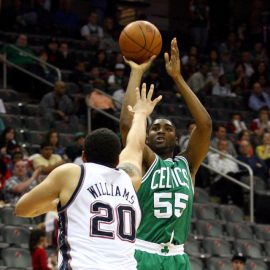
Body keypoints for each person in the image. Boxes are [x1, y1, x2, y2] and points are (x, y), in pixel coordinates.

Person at [15, 84, 162, 270]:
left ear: (83, 157)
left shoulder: (71, 173)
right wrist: (141, 115)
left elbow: (22, 208)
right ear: (117, 160)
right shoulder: (132, 179)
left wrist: (56, 205)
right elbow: (136, 145)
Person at [120, 38, 212, 270]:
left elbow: (205, 125)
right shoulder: (146, 161)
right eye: (155, 128)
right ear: (146, 137)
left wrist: (178, 78)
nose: (161, 131)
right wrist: (137, 72)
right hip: (143, 253)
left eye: (168, 128)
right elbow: (126, 125)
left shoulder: (187, 165)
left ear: (177, 138)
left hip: (178, 257)